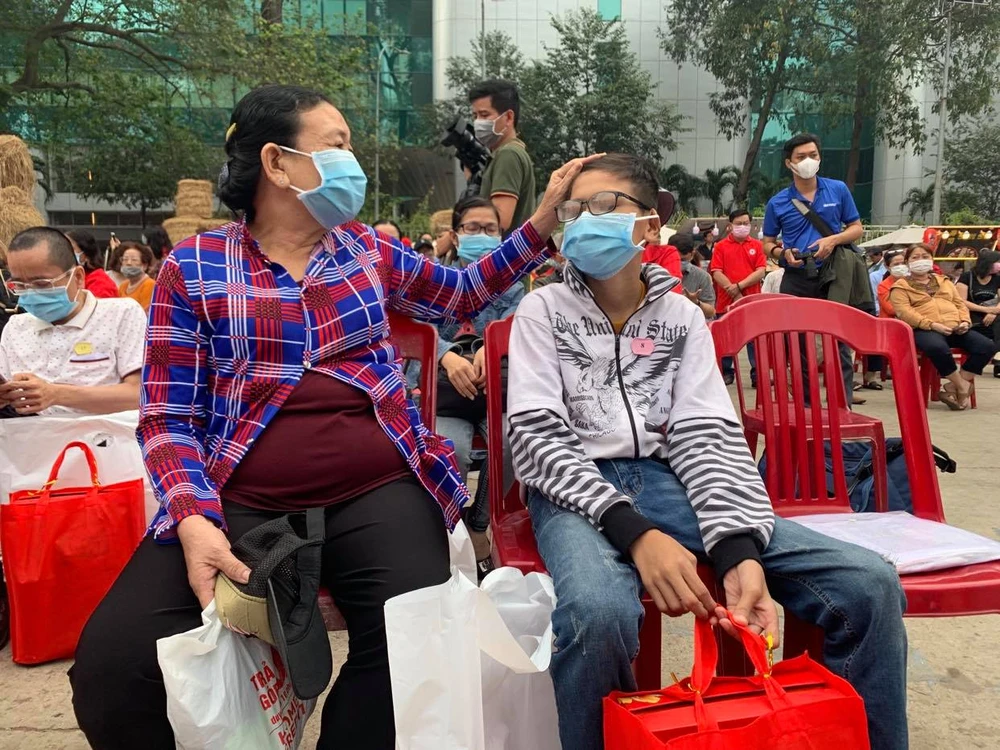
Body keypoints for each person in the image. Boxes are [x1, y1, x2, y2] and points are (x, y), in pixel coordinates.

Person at [69, 83, 589, 750]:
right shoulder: (194, 266)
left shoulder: (363, 249)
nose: (353, 162)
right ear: (277, 163)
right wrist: (193, 519)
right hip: (237, 497)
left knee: (411, 653)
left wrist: (541, 220)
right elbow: (167, 414)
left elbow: (462, 294)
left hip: (378, 490)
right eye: (337, 145)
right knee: (115, 670)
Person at [505, 152, 907, 750]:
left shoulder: (681, 318)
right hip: (573, 491)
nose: (585, 219)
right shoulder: (543, 309)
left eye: (604, 205)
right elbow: (537, 436)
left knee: (869, 583)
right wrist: (636, 533)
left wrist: (736, 547)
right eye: (574, 210)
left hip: (667, 480)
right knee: (598, 613)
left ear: (649, 224)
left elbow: (706, 433)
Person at [433, 195, 524, 572]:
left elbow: (517, 323)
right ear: (456, 235)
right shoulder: (432, 278)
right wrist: (446, 355)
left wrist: (493, 345)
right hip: (445, 394)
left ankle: (478, 523)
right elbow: (417, 324)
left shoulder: (512, 284)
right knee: (449, 447)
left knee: (514, 440)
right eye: (473, 228)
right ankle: (449, 529)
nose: (482, 235)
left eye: (490, 229)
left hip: (493, 393)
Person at [762, 133, 867, 405]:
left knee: (838, 340)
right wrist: (782, 253)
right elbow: (767, 243)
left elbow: (856, 228)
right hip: (796, 276)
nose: (808, 161)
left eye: (813, 155)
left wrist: (833, 240)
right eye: (801, 157)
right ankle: (807, 407)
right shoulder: (778, 202)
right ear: (789, 163)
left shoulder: (837, 189)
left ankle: (841, 405)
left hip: (834, 274)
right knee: (798, 344)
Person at [0, 227, 144, 416]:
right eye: (19, 285)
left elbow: (140, 394)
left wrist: (57, 394)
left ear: (78, 277)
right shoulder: (16, 327)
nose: (31, 293)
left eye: (42, 284)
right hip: (28, 433)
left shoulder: (120, 314)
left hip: (102, 434)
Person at [889, 243, 996, 411]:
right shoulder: (900, 286)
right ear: (908, 262)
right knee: (937, 347)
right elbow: (905, 313)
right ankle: (962, 386)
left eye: (925, 257)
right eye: (915, 257)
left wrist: (965, 322)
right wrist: (932, 325)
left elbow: (959, 304)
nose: (921, 260)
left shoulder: (944, 281)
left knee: (987, 346)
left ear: (932, 259)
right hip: (924, 329)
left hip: (954, 326)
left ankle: (952, 387)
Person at [469, 79, 536, 236]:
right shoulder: (508, 153)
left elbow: (499, 221)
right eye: (475, 116)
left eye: (484, 115)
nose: (478, 122)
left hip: (502, 251)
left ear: (508, 117)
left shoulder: (508, 154)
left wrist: (456, 234)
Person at [710, 208, 766, 384]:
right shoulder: (720, 246)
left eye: (746, 223)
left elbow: (761, 271)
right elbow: (716, 272)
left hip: (751, 301)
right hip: (726, 301)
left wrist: (739, 287)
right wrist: (733, 291)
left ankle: (757, 373)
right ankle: (726, 372)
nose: (743, 226)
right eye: (739, 223)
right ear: (730, 226)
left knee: (754, 338)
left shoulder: (757, 245)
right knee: (726, 337)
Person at [956, 250, 1000, 377]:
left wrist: (994, 312)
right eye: (997, 262)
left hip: (993, 318)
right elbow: (961, 301)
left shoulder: (997, 278)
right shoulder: (967, 277)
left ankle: (997, 355)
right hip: (972, 318)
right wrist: (986, 310)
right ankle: (997, 355)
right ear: (988, 263)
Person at [66, 230, 119, 298]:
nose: (64, 253)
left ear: (87, 255)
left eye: (70, 248)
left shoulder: (100, 282)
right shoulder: (65, 278)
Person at [676, 239, 715, 319]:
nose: (679, 263)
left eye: (683, 260)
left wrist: (696, 302)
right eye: (676, 260)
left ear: (692, 254)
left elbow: (711, 312)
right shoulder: (658, 274)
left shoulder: (702, 276)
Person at [117, 241, 156, 312]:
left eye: (134, 260)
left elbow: (144, 313)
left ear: (144, 265)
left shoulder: (150, 285)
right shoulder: (123, 286)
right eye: (125, 259)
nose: (128, 263)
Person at [877, 249, 907, 319]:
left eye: (903, 263)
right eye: (896, 264)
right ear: (887, 266)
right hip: (892, 322)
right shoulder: (883, 286)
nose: (901, 266)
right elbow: (891, 309)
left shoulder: (913, 281)